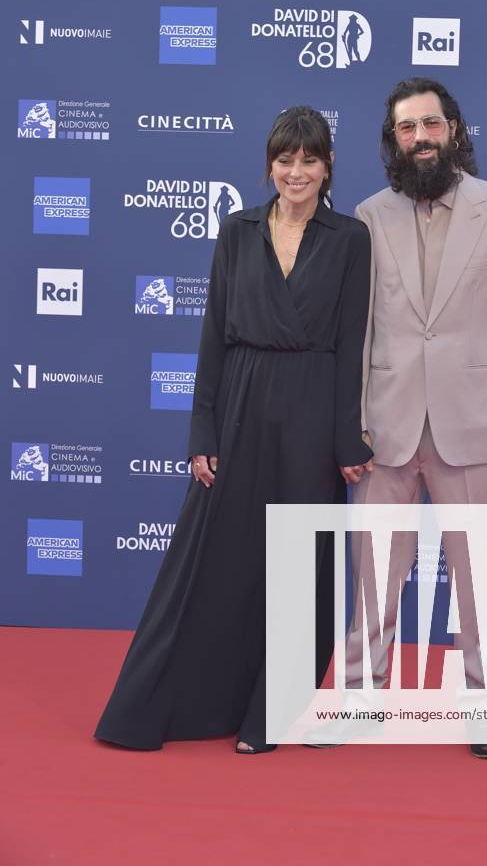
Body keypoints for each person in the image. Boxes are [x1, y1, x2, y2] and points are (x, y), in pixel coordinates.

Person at [94, 107, 373, 754]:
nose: (296, 172)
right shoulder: (237, 230)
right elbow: (213, 338)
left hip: (310, 406)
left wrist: (347, 438)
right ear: (268, 165)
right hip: (241, 402)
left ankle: (269, 714)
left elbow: (352, 340)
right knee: (214, 566)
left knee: (297, 568)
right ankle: (175, 705)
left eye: (309, 160)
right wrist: (202, 432)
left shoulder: (350, 237)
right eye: (285, 159)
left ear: (328, 166)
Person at [345, 78, 487, 759]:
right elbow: (357, 331)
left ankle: (478, 704)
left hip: (473, 426)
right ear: (393, 140)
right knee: (375, 569)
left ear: (455, 130)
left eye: (430, 124)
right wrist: (348, 426)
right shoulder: (368, 215)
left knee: (474, 571)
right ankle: (361, 697)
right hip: (386, 425)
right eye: (406, 128)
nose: (420, 138)